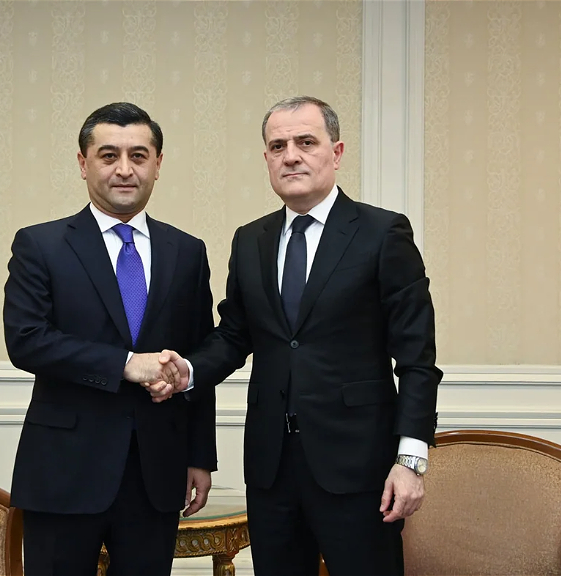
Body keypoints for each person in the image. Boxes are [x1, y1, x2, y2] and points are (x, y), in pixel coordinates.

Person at [148, 96, 441, 576]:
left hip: (358, 466)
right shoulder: (250, 240)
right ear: (266, 158)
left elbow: (417, 360)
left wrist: (410, 462)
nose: (291, 156)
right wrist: (188, 371)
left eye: (306, 142)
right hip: (271, 466)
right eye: (278, 146)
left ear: (336, 152)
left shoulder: (382, 233)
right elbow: (235, 335)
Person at [3, 102, 217, 576]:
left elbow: (199, 358)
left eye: (138, 155)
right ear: (84, 164)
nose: (124, 169)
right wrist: (126, 363)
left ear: (157, 164)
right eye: (108, 155)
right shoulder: (40, 245)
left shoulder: (187, 251)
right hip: (64, 471)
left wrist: (200, 456)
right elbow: (27, 339)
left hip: (156, 473)